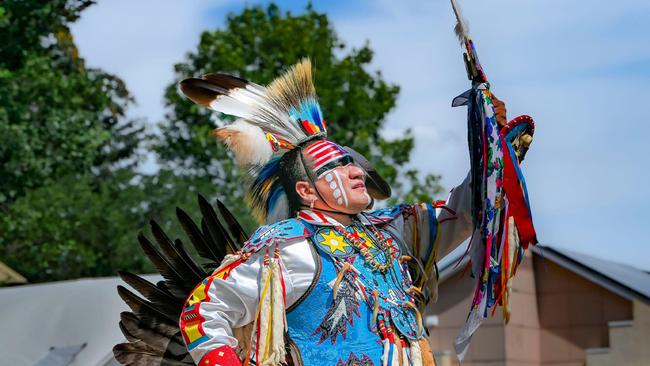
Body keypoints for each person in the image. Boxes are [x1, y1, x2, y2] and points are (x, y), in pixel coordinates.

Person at [175, 59, 523, 366]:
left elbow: (463, 213)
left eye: (352, 163)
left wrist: (491, 145)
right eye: (338, 166)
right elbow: (202, 312)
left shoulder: (392, 232)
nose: (357, 172)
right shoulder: (288, 249)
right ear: (306, 191)